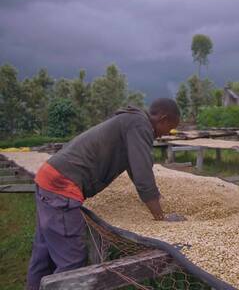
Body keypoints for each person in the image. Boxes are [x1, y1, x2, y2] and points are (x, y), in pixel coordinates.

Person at [26, 98, 184, 290]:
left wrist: (155, 196)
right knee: (72, 265)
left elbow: (135, 169)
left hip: (49, 178)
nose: (163, 135)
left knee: (44, 255)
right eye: (168, 129)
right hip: (62, 188)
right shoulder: (140, 125)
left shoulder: (130, 120)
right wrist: (160, 218)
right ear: (163, 118)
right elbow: (143, 175)